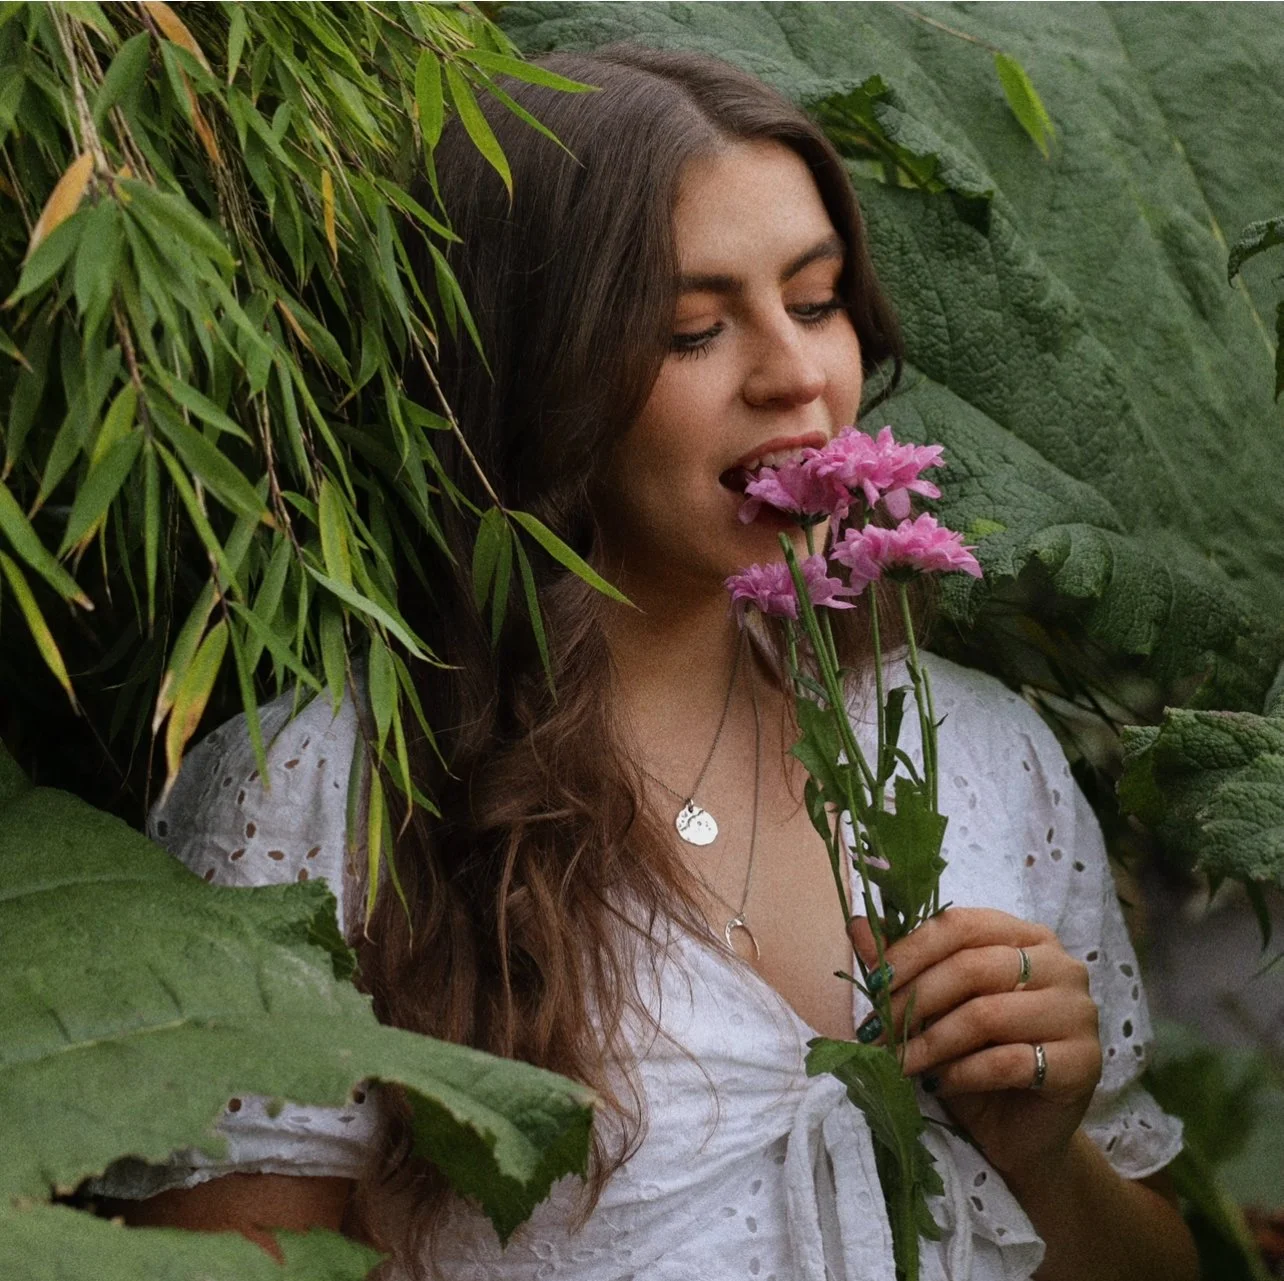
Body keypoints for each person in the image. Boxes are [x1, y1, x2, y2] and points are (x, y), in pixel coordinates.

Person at [103, 44, 1199, 1281]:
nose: (794, 373)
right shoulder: (331, 793)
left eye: (820, 300)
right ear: (540, 373)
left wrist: (1045, 1156)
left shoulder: (986, 759)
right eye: (692, 330)